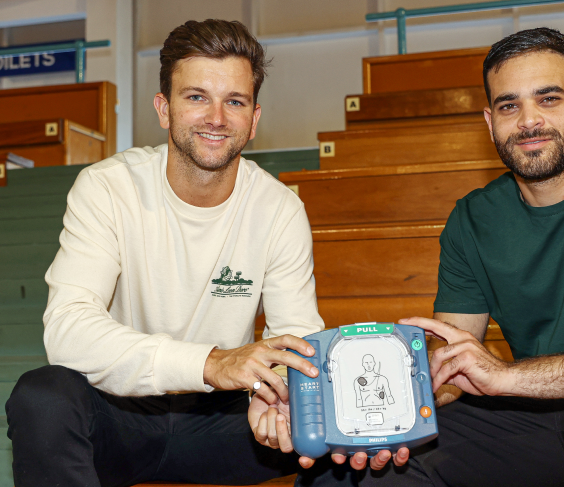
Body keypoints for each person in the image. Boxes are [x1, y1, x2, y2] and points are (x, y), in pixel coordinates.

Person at [298, 27, 564, 487]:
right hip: (536, 418)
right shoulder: (472, 218)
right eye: (509, 105)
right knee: (348, 469)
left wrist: (505, 377)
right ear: (490, 122)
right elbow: (449, 365)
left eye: (548, 99)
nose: (528, 121)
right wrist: (383, 413)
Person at [5, 19, 325, 487]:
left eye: (234, 101)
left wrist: (277, 396)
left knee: (335, 423)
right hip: (121, 413)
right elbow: (69, 331)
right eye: (196, 97)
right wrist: (210, 363)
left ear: (254, 119)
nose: (216, 117)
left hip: (227, 421)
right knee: (41, 396)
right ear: (164, 109)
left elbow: (296, 336)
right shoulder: (107, 188)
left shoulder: (279, 209)